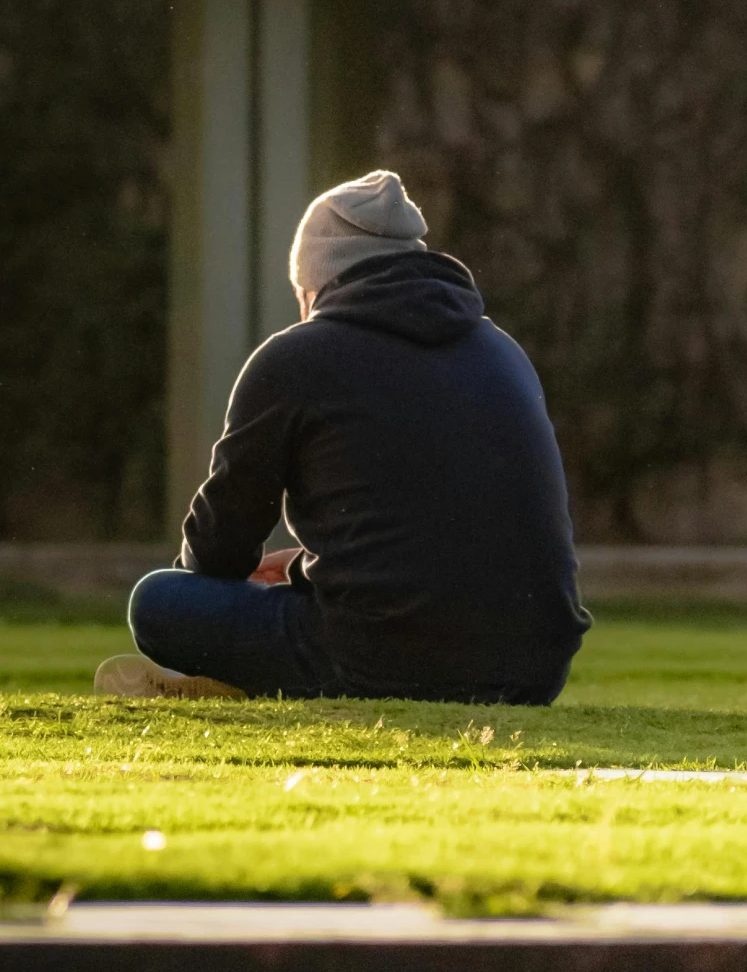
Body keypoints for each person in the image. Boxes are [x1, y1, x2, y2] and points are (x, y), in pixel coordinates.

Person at [95, 171, 590, 705]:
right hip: (536, 670)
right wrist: (297, 569)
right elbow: (454, 518)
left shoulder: (294, 359)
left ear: (318, 282)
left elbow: (218, 549)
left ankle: (240, 684)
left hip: (379, 662)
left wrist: (241, 584)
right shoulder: (503, 354)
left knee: (159, 601)